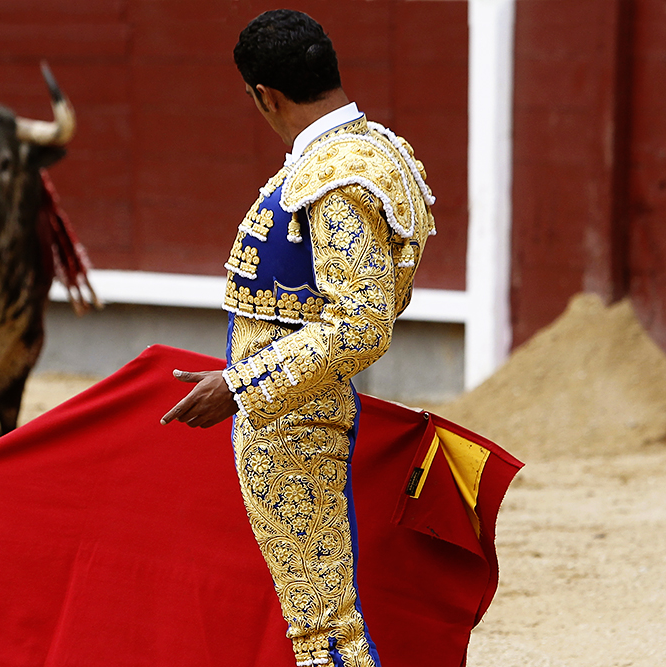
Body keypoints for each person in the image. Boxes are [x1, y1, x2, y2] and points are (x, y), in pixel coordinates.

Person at [161, 9, 437, 667]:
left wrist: (239, 383)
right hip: (293, 412)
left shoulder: (337, 175)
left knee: (324, 628)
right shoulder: (374, 151)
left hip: (293, 424)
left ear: (266, 96)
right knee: (318, 618)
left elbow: (359, 327)